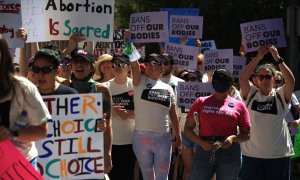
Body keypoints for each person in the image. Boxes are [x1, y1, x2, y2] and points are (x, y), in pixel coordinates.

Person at [239, 45, 295, 180]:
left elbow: (291, 81)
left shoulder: (281, 95)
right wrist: (258, 57)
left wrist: (277, 58)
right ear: (257, 79)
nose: (264, 80)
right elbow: (243, 78)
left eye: (268, 76)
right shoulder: (251, 94)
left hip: (278, 155)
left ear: (274, 78)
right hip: (251, 155)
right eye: (261, 77)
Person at [184, 68, 251, 180]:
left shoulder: (239, 105)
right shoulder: (200, 101)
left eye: (224, 79)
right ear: (213, 81)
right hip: (204, 150)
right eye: (217, 78)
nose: (220, 81)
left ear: (231, 83)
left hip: (230, 153)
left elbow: (247, 135)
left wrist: (232, 138)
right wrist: (202, 143)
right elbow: (188, 128)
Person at [0, 36, 51, 170]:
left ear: (3, 55)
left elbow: (41, 131)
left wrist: (12, 134)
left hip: (20, 165)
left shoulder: (23, 88)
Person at [130, 53, 182, 180]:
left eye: (156, 63)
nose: (151, 66)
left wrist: (179, 138)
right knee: (148, 176)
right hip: (142, 138)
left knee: (162, 177)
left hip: (163, 139)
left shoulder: (169, 88)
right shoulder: (139, 81)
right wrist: (130, 47)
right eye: (148, 63)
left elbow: (173, 114)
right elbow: (134, 65)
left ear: (162, 68)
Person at [68, 48, 113, 174]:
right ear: (71, 66)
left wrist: (107, 153)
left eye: (84, 62)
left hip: (93, 148)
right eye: (76, 62)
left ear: (92, 68)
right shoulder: (65, 87)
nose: (79, 65)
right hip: (68, 149)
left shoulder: (101, 90)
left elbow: (108, 124)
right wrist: (70, 46)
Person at [105, 53, 136, 180]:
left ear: (129, 67)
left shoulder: (136, 86)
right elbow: (96, 111)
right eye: (114, 64)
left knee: (129, 175)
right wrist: (110, 111)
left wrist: (130, 114)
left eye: (121, 64)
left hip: (132, 141)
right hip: (111, 143)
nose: (117, 67)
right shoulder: (105, 87)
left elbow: (147, 112)